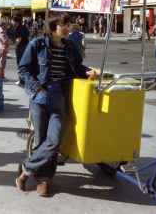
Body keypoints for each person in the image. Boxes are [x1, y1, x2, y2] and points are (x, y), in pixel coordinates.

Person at [16, 12, 95, 197]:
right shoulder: (38, 44)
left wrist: (86, 72)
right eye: (63, 25)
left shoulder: (70, 46)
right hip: (41, 95)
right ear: (52, 28)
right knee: (41, 140)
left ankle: (26, 168)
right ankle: (44, 180)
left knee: (54, 140)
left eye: (69, 24)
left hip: (60, 93)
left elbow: (76, 67)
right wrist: (36, 87)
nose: (68, 28)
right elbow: (23, 68)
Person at [12, 17, 29, 85]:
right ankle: (25, 80)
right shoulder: (24, 27)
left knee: (20, 64)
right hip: (26, 46)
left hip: (21, 47)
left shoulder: (18, 28)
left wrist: (15, 45)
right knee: (25, 64)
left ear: (16, 21)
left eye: (12, 21)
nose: (11, 22)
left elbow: (19, 39)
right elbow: (28, 36)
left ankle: (21, 80)